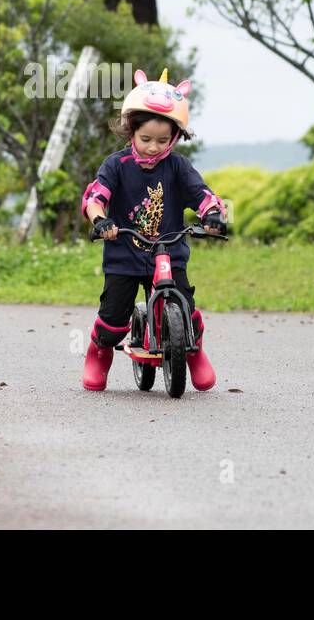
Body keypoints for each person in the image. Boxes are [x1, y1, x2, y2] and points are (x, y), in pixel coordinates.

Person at [78, 68, 227, 392]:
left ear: (175, 137)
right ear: (131, 131)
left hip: (169, 251)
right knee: (114, 320)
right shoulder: (116, 165)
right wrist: (100, 220)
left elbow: (200, 194)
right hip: (125, 254)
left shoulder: (177, 166)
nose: (152, 147)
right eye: (145, 139)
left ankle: (194, 350)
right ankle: (98, 351)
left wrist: (212, 214)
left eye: (162, 140)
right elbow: (97, 196)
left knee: (186, 305)